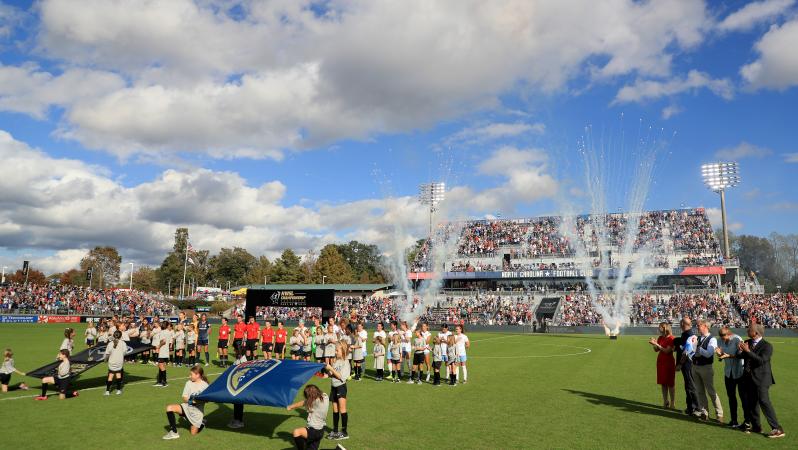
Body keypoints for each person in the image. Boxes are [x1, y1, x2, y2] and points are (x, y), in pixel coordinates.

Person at [738, 323, 785, 438]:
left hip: (762, 378)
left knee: (764, 401)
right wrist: (739, 351)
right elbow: (743, 356)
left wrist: (748, 351)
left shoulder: (767, 346)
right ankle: (756, 426)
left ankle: (777, 428)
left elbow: (761, 360)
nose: (747, 331)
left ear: (756, 333)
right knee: (752, 402)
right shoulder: (747, 342)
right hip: (749, 378)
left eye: (749, 329)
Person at [163, 365, 210, 440]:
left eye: (191, 374)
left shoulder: (205, 386)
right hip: (186, 408)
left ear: (197, 375)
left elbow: (207, 400)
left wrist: (199, 400)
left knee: (193, 434)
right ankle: (174, 433)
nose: (189, 376)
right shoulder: (188, 383)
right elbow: (184, 398)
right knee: (169, 408)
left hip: (197, 414)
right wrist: (191, 402)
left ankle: (202, 423)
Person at [691, 319, 723, 421]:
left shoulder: (712, 339)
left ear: (706, 326)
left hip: (706, 367)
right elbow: (693, 352)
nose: (697, 327)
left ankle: (719, 414)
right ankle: (704, 413)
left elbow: (709, 353)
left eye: (699, 325)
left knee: (711, 391)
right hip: (695, 366)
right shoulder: (698, 338)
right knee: (700, 391)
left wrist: (698, 348)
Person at [715, 326, 747, 428]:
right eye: (720, 335)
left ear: (729, 333)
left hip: (740, 372)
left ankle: (747, 422)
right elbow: (721, 355)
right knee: (731, 397)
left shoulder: (737, 339)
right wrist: (719, 355)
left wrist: (728, 355)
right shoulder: (719, 341)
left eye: (723, 335)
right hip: (728, 373)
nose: (722, 337)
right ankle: (734, 420)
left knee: (743, 398)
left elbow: (741, 355)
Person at [287, 384, 329, 450]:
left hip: (314, 431)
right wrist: (291, 407)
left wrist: (290, 407)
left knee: (297, 432)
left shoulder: (316, 402)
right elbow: (305, 401)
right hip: (320, 430)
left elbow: (305, 402)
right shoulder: (325, 396)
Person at [674, 317, 700, 416]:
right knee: (688, 386)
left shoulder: (688, 335)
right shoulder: (688, 334)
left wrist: (680, 364)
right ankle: (690, 407)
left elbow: (686, 352)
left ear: (682, 324)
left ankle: (697, 408)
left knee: (690, 386)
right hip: (689, 363)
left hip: (687, 364)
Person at [325, 342, 351, 441]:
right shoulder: (336, 361)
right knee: (335, 409)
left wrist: (331, 369)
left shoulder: (345, 362)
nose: (335, 352)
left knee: (342, 409)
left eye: (337, 350)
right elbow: (331, 374)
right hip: (333, 387)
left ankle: (344, 432)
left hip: (341, 387)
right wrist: (328, 370)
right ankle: (335, 431)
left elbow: (341, 377)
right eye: (335, 350)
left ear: (343, 351)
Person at [648, 322, 676, 409]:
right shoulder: (660, 337)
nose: (658, 329)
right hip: (661, 362)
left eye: (659, 327)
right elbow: (656, 350)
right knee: (663, 383)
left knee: (670, 383)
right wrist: (654, 343)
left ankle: (672, 402)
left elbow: (667, 351)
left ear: (664, 328)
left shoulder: (672, 338)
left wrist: (657, 344)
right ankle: (665, 401)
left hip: (669, 362)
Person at [104, 330, 128, 395]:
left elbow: (107, 353)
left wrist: (105, 360)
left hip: (112, 361)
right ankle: (118, 390)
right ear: (121, 336)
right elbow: (125, 352)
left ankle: (107, 391)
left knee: (110, 376)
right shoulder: (123, 343)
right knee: (118, 375)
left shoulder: (110, 343)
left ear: (114, 335)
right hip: (119, 361)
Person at [154, 321, 171, 387]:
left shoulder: (162, 332)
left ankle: (164, 382)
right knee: (161, 365)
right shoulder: (168, 332)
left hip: (162, 351)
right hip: (165, 351)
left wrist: (159, 346)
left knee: (161, 366)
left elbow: (163, 341)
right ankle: (160, 381)